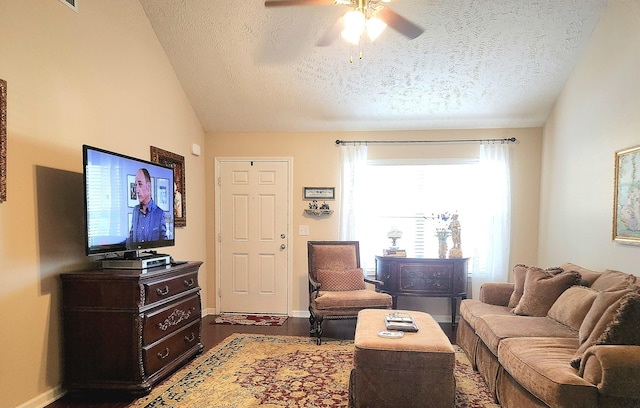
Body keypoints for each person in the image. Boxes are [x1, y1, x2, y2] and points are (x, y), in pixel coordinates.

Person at [127, 168, 167, 247]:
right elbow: (131, 239)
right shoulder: (135, 211)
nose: (137, 190)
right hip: (136, 257)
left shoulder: (159, 213)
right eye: (136, 185)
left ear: (148, 186)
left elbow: (164, 242)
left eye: (140, 184)